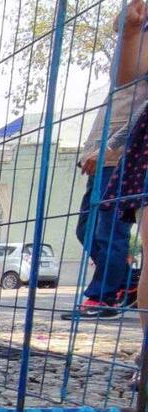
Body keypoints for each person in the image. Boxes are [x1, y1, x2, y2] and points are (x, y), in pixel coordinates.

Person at [64, 0, 148, 321]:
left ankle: (105, 294)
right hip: (99, 154)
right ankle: (124, 282)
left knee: (107, 229)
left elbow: (142, 114)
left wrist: (113, 147)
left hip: (123, 155)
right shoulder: (129, 61)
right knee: (87, 227)